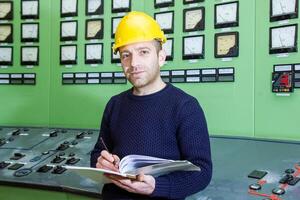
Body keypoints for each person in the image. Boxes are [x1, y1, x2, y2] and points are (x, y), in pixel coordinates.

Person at [90, 11, 212, 200]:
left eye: (143, 52)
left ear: (161, 57)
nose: (134, 63)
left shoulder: (185, 106)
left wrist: (156, 186)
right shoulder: (114, 104)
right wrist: (102, 162)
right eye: (126, 55)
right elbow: (99, 152)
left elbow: (202, 172)